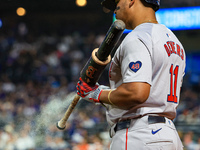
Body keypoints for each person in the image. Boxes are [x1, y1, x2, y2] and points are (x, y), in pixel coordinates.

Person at [76, 0, 186, 149]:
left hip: (139, 134)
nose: (115, 10)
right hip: (167, 134)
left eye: (117, 3)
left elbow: (136, 92)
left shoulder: (137, 37)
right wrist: (102, 94)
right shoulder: (174, 41)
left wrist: (96, 94)